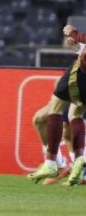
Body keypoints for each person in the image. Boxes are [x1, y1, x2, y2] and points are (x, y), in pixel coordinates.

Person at [27, 24, 86, 186]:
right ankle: (77, 163)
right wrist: (77, 46)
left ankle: (53, 163)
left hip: (81, 75)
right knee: (71, 116)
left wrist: (73, 33)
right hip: (81, 72)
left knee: (56, 114)